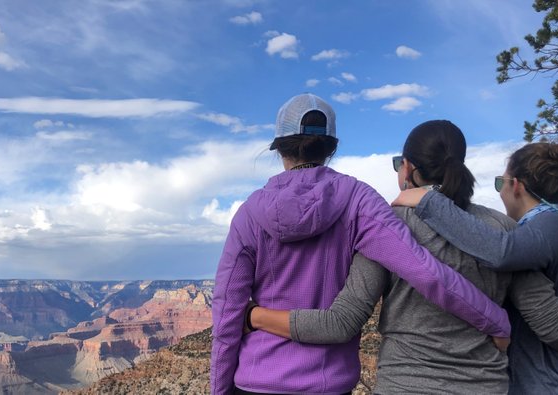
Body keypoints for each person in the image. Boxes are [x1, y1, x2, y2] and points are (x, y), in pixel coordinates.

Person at [247, 120, 558, 394]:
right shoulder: (501, 228)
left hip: (404, 384)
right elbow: (554, 328)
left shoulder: (386, 228)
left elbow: (340, 323)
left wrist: (254, 316)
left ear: (407, 168)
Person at [210, 95, 511, 395]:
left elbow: (226, 318)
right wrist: (495, 320)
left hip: (255, 381)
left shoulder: (249, 213)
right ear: (332, 147)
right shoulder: (360, 200)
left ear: (279, 148)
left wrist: (219, 390)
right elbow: (425, 272)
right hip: (327, 385)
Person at [390, 139, 558, 394]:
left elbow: (501, 252)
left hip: (551, 381)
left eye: (501, 182)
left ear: (517, 186)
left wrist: (428, 201)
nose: (500, 193)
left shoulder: (551, 223)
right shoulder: (538, 230)